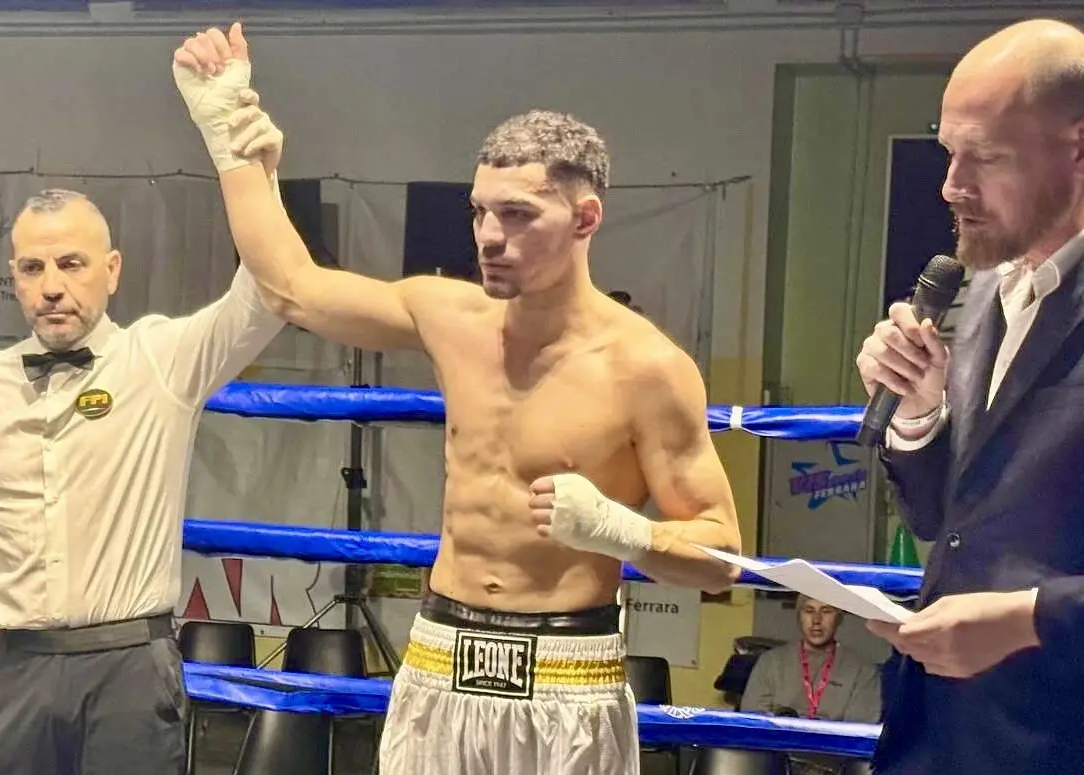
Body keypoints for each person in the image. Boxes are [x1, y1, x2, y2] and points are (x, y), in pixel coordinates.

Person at [172, 24, 742, 775]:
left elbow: (721, 557)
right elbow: (293, 289)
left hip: (566, 674)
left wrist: (620, 531)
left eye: (517, 214)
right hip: (440, 657)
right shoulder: (451, 317)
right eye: (479, 211)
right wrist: (230, 142)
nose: (488, 236)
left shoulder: (646, 368)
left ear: (585, 219)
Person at [0, 95, 287, 772]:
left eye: (71, 263)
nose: (52, 286)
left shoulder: (161, 360)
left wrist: (252, 171)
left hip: (128, 667)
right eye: (33, 268)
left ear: (112, 269)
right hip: (14, 665)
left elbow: (266, 298)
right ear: (14, 278)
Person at [856, 18, 1084, 775]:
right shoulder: (985, 287)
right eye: (948, 150)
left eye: (983, 156)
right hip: (944, 731)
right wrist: (921, 411)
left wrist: (1028, 620)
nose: (951, 185)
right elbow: (944, 522)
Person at [739, 594, 880, 723]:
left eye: (826, 611)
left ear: (839, 618)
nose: (816, 620)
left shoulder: (862, 671)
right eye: (809, 610)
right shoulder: (770, 662)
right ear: (799, 616)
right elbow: (753, 722)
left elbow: (858, 731)